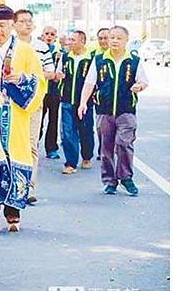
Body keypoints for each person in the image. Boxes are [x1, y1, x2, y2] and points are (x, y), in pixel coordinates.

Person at [0, 2, 46, 232]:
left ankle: (12, 212)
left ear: (12, 25)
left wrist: (22, 79)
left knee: (16, 159)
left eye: (3, 25)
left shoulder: (25, 51)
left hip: (15, 114)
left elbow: (39, 82)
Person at [78, 25, 149, 196]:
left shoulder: (134, 61)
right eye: (112, 37)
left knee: (125, 144)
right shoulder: (99, 59)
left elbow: (144, 81)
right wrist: (83, 103)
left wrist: (139, 86)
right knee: (106, 148)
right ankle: (110, 181)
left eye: (119, 38)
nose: (115, 41)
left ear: (126, 41)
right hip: (104, 110)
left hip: (126, 110)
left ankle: (126, 177)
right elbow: (90, 83)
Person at [13, 10, 56, 204]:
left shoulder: (41, 47)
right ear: (14, 24)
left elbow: (50, 72)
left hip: (33, 104)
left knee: (31, 144)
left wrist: (27, 78)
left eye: (30, 21)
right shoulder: (9, 46)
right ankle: (12, 184)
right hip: (10, 104)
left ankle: (29, 187)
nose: (27, 24)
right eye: (22, 21)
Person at [59, 30, 95, 174]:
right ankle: (70, 163)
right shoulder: (65, 57)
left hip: (85, 102)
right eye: (69, 39)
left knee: (85, 130)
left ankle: (87, 156)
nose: (70, 42)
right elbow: (58, 74)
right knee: (67, 132)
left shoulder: (92, 58)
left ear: (82, 41)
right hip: (67, 100)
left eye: (73, 40)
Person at [40, 26, 64, 160]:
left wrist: (58, 75)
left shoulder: (59, 53)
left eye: (52, 34)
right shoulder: (37, 49)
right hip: (40, 91)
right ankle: (33, 146)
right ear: (42, 35)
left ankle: (51, 148)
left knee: (53, 120)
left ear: (56, 37)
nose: (49, 36)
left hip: (54, 91)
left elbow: (60, 72)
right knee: (37, 120)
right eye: (47, 33)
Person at [91, 27, 110, 159]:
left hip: (118, 99)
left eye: (106, 38)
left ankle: (108, 150)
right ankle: (102, 149)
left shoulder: (119, 54)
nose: (103, 41)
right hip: (100, 98)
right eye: (100, 38)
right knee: (101, 126)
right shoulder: (94, 56)